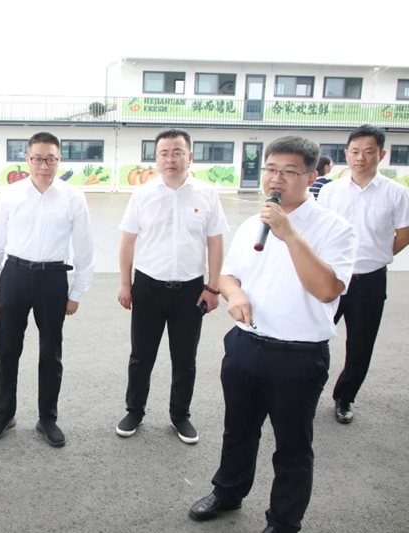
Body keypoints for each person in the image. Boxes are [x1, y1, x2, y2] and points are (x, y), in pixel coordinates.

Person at [189, 136, 355, 533]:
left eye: (289, 171)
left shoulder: (335, 228)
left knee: (292, 446)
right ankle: (228, 491)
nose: (276, 179)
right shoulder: (253, 223)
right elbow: (229, 275)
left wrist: (290, 235)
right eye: (271, 169)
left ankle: (283, 521)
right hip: (246, 346)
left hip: (298, 356)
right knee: (238, 431)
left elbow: (328, 290)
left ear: (312, 176)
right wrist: (235, 294)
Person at [115, 128, 229, 444]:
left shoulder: (206, 193)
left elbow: (215, 242)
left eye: (177, 152)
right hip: (148, 287)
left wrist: (213, 287)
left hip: (191, 290)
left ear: (189, 156)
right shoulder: (143, 194)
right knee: (141, 356)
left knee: (185, 359)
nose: (171, 159)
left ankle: (180, 416)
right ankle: (134, 410)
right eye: (164, 153)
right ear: (156, 159)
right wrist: (125, 284)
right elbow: (127, 241)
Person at [0, 131, 94, 447]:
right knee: (7, 350)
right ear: (27, 159)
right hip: (14, 276)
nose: (44, 166)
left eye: (51, 159)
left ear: (59, 160)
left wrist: (77, 292)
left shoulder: (73, 198)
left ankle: (47, 418)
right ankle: (5, 414)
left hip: (53, 279)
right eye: (37, 159)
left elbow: (84, 248)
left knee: (51, 353)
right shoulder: (11, 195)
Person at [317, 125, 409, 423]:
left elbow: (404, 233)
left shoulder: (396, 193)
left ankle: (344, 397)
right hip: (331, 276)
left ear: (381, 155)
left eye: (369, 152)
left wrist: (380, 254)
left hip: (370, 279)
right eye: (355, 151)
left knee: (360, 344)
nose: (361, 158)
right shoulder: (330, 191)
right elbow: (319, 229)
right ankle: (306, 389)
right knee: (314, 335)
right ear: (346, 154)